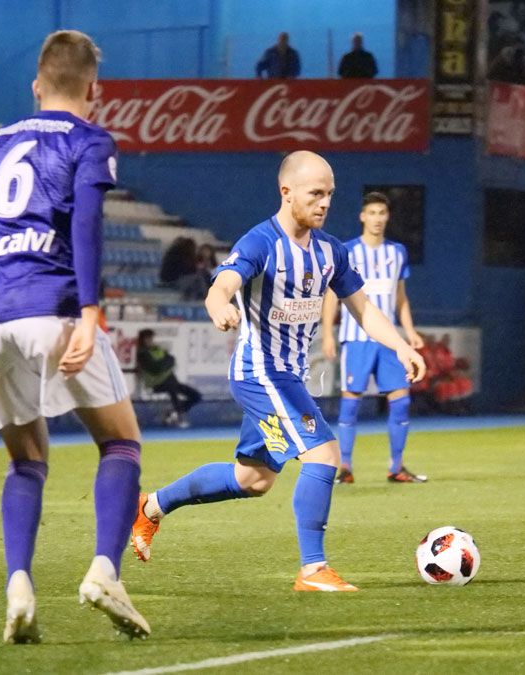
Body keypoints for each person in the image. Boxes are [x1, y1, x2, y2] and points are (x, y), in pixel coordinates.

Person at [0, 30, 150, 643]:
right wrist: (91, 311)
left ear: (35, 86)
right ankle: (105, 570)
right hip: (51, 309)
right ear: (94, 91)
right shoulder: (90, 140)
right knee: (121, 444)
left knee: (27, 461)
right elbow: (86, 219)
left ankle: (19, 583)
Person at [129, 151, 426, 593]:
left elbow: (363, 309)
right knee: (325, 455)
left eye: (329, 194)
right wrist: (217, 303)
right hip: (260, 373)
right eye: (315, 194)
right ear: (286, 193)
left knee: (253, 480)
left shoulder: (330, 251)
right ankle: (312, 570)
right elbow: (224, 282)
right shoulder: (260, 242)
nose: (324, 203)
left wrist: (401, 344)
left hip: (287, 375)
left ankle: (151, 506)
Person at [321, 191, 427, 484]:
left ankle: (397, 467)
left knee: (402, 400)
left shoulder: (397, 252)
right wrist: (328, 333)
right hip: (356, 338)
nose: (378, 219)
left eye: (382, 213)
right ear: (362, 216)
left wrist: (410, 331)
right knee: (351, 401)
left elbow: (400, 298)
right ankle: (344, 467)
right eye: (372, 213)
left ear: (387, 217)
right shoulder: (347, 251)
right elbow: (332, 296)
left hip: (390, 339)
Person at [136, 328, 201, 428]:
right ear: (143, 340)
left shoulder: (157, 349)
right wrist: (165, 364)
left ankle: (174, 412)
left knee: (196, 396)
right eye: (148, 339)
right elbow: (155, 369)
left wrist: (163, 364)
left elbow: (171, 359)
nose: (151, 341)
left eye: (151, 338)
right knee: (172, 388)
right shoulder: (142, 354)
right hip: (156, 384)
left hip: (171, 382)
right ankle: (179, 416)